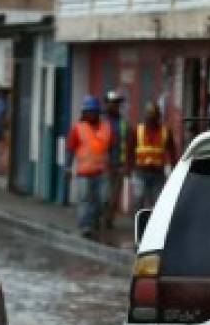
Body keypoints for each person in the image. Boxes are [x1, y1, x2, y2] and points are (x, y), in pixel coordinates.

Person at [65, 96, 113, 240]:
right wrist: (67, 168)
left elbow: (112, 147)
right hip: (84, 172)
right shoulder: (78, 129)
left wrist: (115, 164)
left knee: (102, 200)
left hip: (102, 171)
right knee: (85, 200)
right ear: (84, 113)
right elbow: (70, 149)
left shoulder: (106, 127)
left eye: (93, 112)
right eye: (88, 112)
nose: (91, 115)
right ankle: (86, 226)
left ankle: (95, 223)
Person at [128, 101, 178, 212]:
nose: (151, 118)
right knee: (139, 199)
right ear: (146, 116)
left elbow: (172, 151)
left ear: (158, 116)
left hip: (158, 173)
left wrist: (176, 168)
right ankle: (139, 223)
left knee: (158, 201)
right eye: (150, 115)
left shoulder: (166, 132)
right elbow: (130, 150)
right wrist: (128, 168)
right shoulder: (138, 130)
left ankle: (154, 225)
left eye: (154, 115)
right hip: (140, 171)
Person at [102, 90, 129, 228]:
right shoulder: (101, 121)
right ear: (106, 104)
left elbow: (127, 143)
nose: (115, 106)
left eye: (117, 103)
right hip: (103, 165)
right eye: (113, 103)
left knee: (114, 196)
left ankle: (108, 220)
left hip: (118, 164)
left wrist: (126, 164)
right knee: (104, 195)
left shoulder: (123, 123)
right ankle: (99, 219)